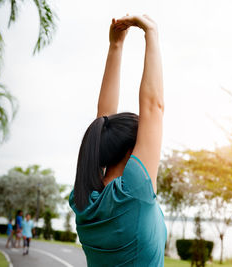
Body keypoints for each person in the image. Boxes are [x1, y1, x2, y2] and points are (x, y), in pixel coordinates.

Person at [69, 14, 167, 267]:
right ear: (130, 150)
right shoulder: (133, 191)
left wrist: (116, 46)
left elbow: (103, 123)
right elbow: (153, 107)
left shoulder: (85, 200)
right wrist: (151, 32)